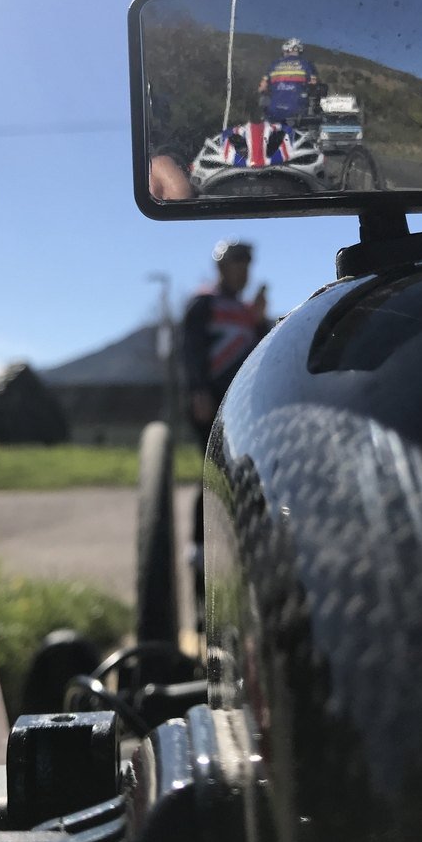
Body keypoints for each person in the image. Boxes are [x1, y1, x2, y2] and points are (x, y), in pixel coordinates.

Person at [182, 240, 270, 604]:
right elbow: (191, 349)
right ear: (222, 268)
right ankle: (201, 563)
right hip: (211, 400)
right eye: (238, 264)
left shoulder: (248, 312)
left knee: (246, 478)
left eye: (248, 264)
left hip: (243, 404)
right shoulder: (204, 302)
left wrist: (262, 318)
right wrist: (198, 389)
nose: (244, 271)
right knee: (213, 477)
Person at [258, 38, 320, 124]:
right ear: (300, 51)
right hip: (297, 112)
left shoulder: (274, 64)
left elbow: (262, 88)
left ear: (286, 50)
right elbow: (314, 85)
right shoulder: (307, 64)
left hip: (273, 111)